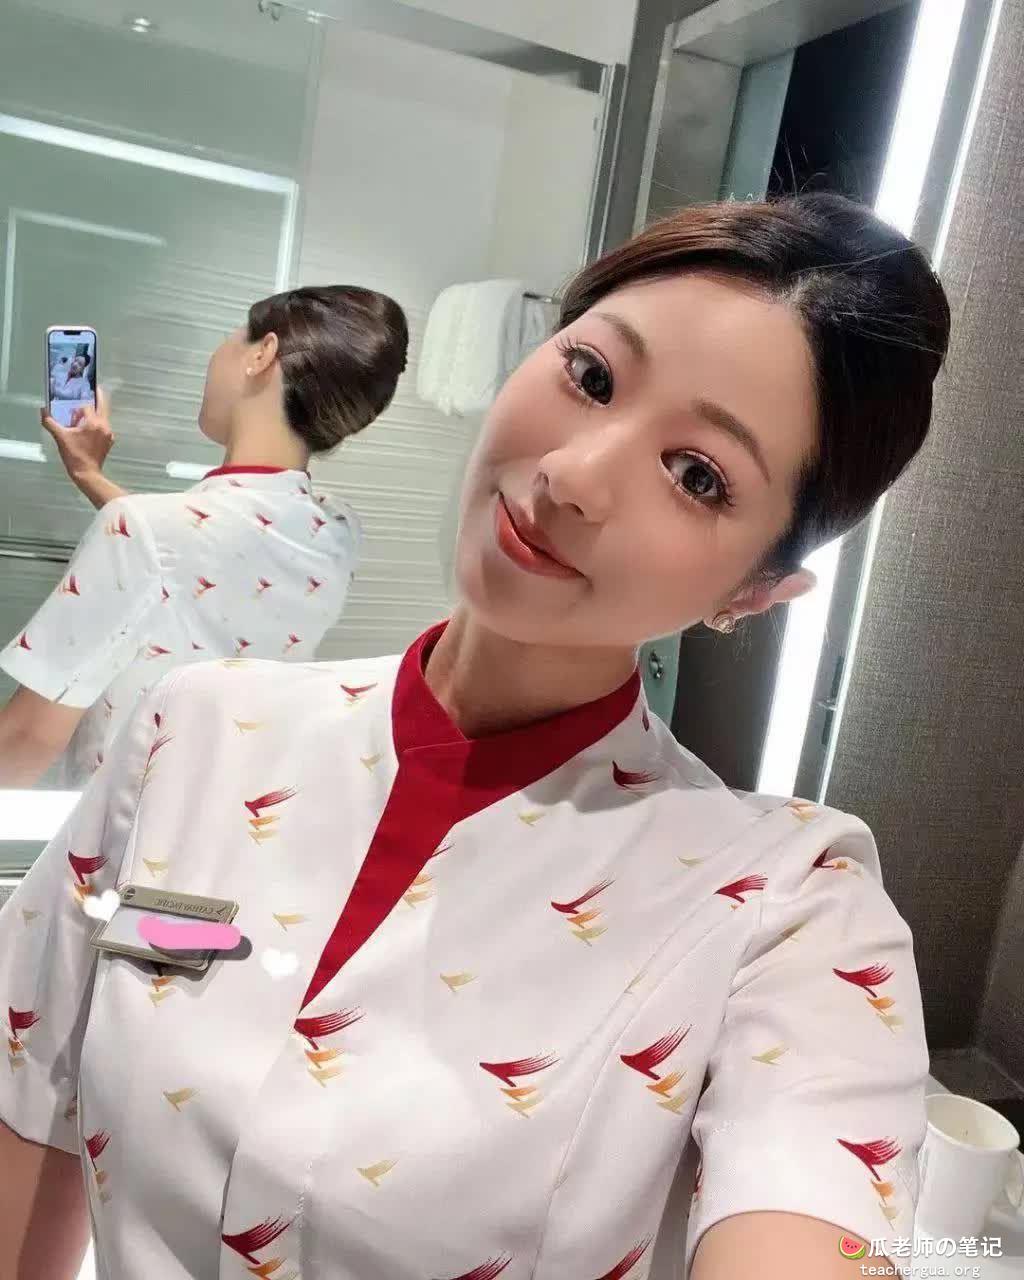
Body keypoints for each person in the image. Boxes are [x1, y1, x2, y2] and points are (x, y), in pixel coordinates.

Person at [0, 194, 950, 1280]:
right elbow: (31, 1096)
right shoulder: (192, 729)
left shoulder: (792, 913)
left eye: (698, 475)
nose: (574, 475)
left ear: (755, 591)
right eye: (592, 375)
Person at [0, 285, 409, 786]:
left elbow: (26, 739)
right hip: (223, 810)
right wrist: (90, 475)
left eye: (231, 339)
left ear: (262, 354)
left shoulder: (147, 533)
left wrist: (117, 509)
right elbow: (197, 554)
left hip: (122, 823)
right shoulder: (337, 531)